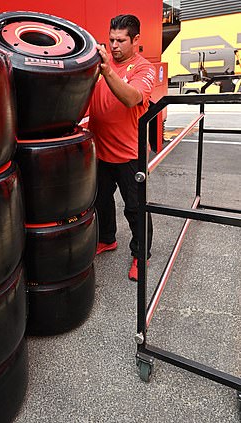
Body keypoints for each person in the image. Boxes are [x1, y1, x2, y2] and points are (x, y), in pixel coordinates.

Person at [88, 14, 156, 281]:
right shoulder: (99, 66)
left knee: (135, 208)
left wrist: (106, 72)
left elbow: (132, 99)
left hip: (130, 155)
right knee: (100, 201)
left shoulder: (143, 69)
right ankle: (107, 238)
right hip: (100, 152)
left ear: (135, 40)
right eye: (111, 39)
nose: (114, 45)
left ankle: (141, 256)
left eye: (120, 40)